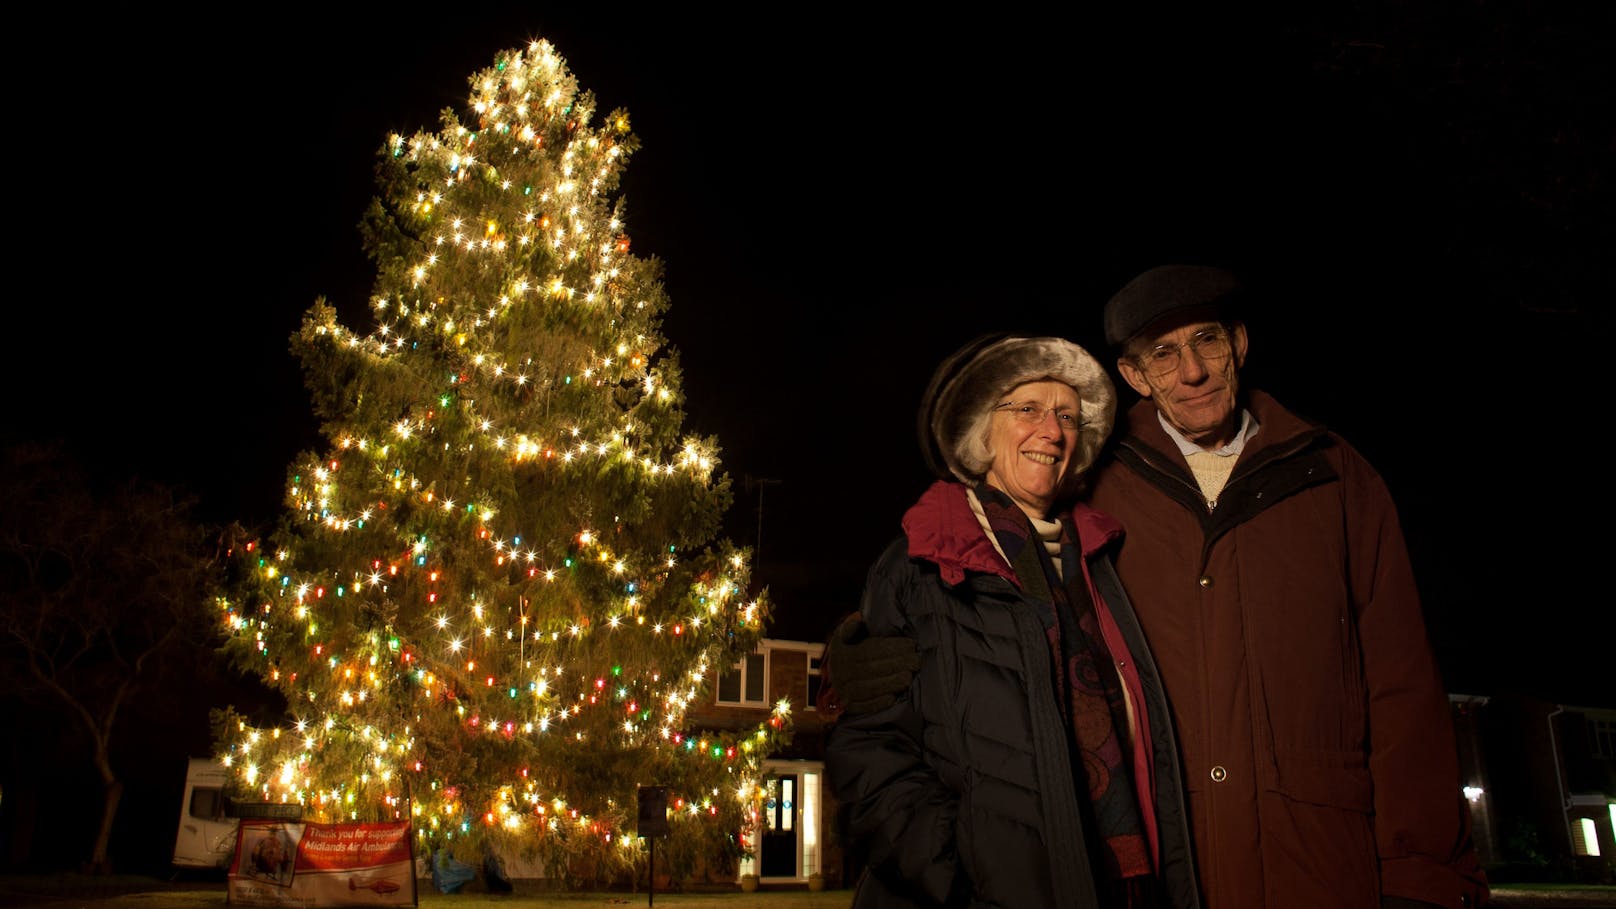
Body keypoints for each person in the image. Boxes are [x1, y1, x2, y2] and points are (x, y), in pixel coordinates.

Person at [1082, 264, 1487, 908]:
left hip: (1320, 865)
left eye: (1206, 341)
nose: (1192, 371)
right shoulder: (1092, 484)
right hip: (1158, 870)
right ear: (1134, 376)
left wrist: (1421, 871)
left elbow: (1400, 679)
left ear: (1238, 344)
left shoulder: (1335, 476)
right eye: (1163, 353)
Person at [824, 334, 1199, 908]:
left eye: (1068, 417)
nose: (1051, 432)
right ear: (982, 427)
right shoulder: (920, 561)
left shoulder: (1104, 561)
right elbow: (869, 756)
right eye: (1028, 409)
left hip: (1115, 885)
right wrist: (960, 874)